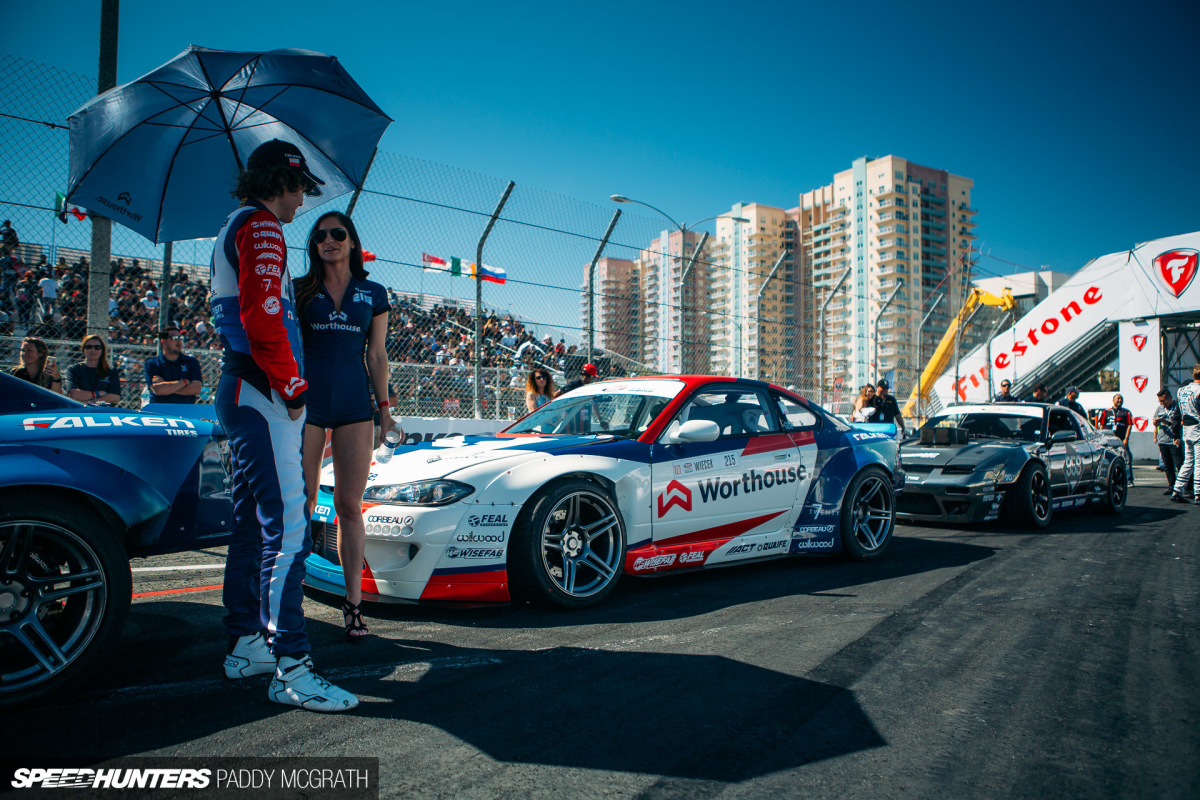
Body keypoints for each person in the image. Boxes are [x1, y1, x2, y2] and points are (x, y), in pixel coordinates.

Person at [209, 139, 357, 711]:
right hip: (264, 392)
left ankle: (248, 644)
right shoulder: (263, 227)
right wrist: (293, 388)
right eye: (301, 190)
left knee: (252, 524)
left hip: (243, 388)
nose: (303, 204)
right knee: (290, 530)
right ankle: (291, 668)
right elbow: (263, 316)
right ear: (283, 182)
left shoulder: (233, 223)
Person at [294, 211, 391, 645]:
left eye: (337, 234)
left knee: (350, 507)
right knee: (304, 501)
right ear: (313, 245)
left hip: (355, 406)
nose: (328, 240)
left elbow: (377, 356)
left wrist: (385, 411)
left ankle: (353, 606)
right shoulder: (299, 289)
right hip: (307, 407)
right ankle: (289, 601)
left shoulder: (374, 292)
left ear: (352, 241)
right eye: (320, 236)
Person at [144, 325, 204, 404]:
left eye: (180, 338)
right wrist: (183, 383)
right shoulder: (152, 364)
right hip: (159, 410)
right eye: (175, 338)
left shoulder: (191, 362)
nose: (179, 341)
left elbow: (196, 388)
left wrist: (166, 385)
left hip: (186, 409)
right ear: (163, 341)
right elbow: (158, 390)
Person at [1171, 364, 1200, 505]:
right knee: (1199, 462)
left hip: (1186, 429)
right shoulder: (1198, 390)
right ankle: (1198, 493)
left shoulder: (1181, 390)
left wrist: (1176, 433)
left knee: (1189, 461)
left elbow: (1177, 413)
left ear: (1193, 375)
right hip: (1198, 428)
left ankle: (1177, 489)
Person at [63, 335, 122, 404]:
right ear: (83, 349)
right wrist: (97, 393)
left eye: (97, 347)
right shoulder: (74, 369)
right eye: (89, 347)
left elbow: (115, 397)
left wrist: (91, 402)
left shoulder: (110, 370)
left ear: (102, 350)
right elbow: (73, 394)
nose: (93, 350)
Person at [1096, 394, 1135, 485]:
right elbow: (1101, 424)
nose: (1120, 401)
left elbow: (1129, 425)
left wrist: (1126, 439)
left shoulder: (1126, 412)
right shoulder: (1106, 411)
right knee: (1106, 459)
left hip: (1121, 439)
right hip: (1108, 440)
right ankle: (1106, 480)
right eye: (1118, 399)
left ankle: (1129, 480)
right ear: (1113, 400)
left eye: (1121, 399)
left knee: (1127, 458)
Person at [1154, 388, 1183, 496]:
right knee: (1167, 466)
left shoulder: (1177, 408)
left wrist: (1164, 421)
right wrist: (1156, 422)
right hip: (1163, 440)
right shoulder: (1159, 409)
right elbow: (1155, 424)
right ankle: (1171, 486)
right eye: (1160, 401)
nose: (1162, 403)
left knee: (1180, 464)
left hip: (1174, 440)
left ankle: (1184, 487)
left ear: (1170, 397)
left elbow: (1180, 422)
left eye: (1164, 400)